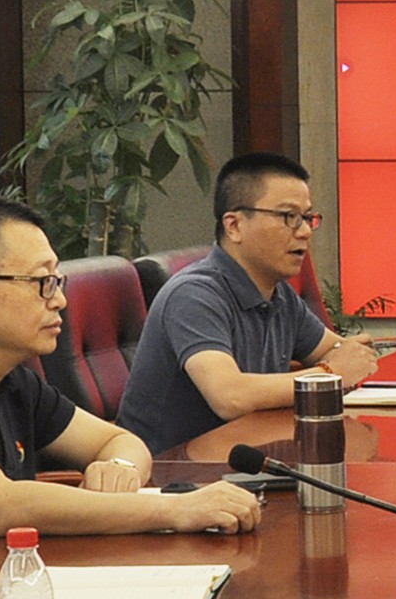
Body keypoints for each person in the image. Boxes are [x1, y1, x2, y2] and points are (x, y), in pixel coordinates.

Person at [0, 194, 260, 568]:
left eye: (57, 282)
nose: (60, 300)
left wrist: (120, 470)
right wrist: (176, 511)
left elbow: (119, 441)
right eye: (42, 283)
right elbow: (0, 506)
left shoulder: (9, 377)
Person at [116, 153, 380, 451]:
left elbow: (336, 351)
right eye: (288, 217)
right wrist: (330, 375)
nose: (305, 231)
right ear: (234, 226)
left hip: (245, 457)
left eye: (307, 218)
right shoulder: (194, 294)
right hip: (170, 469)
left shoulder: (278, 293)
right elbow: (229, 397)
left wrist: (349, 358)